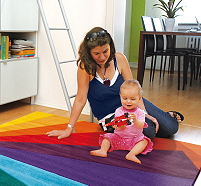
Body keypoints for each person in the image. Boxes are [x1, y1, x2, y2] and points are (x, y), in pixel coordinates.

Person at [46, 27, 184, 140]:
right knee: (148, 132)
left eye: (105, 51)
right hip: (110, 117)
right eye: (96, 53)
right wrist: (69, 128)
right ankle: (155, 120)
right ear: (89, 53)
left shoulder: (119, 59)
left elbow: (133, 89)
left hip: (131, 104)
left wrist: (144, 112)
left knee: (171, 128)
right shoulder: (85, 67)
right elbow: (80, 99)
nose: (102, 57)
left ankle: (165, 116)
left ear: (110, 47)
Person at [90, 79, 153, 164]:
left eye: (132, 99)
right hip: (119, 138)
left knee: (144, 141)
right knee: (107, 137)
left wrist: (135, 120)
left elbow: (141, 126)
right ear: (120, 97)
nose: (128, 101)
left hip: (134, 139)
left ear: (139, 99)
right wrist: (118, 125)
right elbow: (122, 127)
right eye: (125, 98)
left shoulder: (140, 112)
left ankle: (131, 154)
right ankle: (103, 150)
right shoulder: (119, 111)